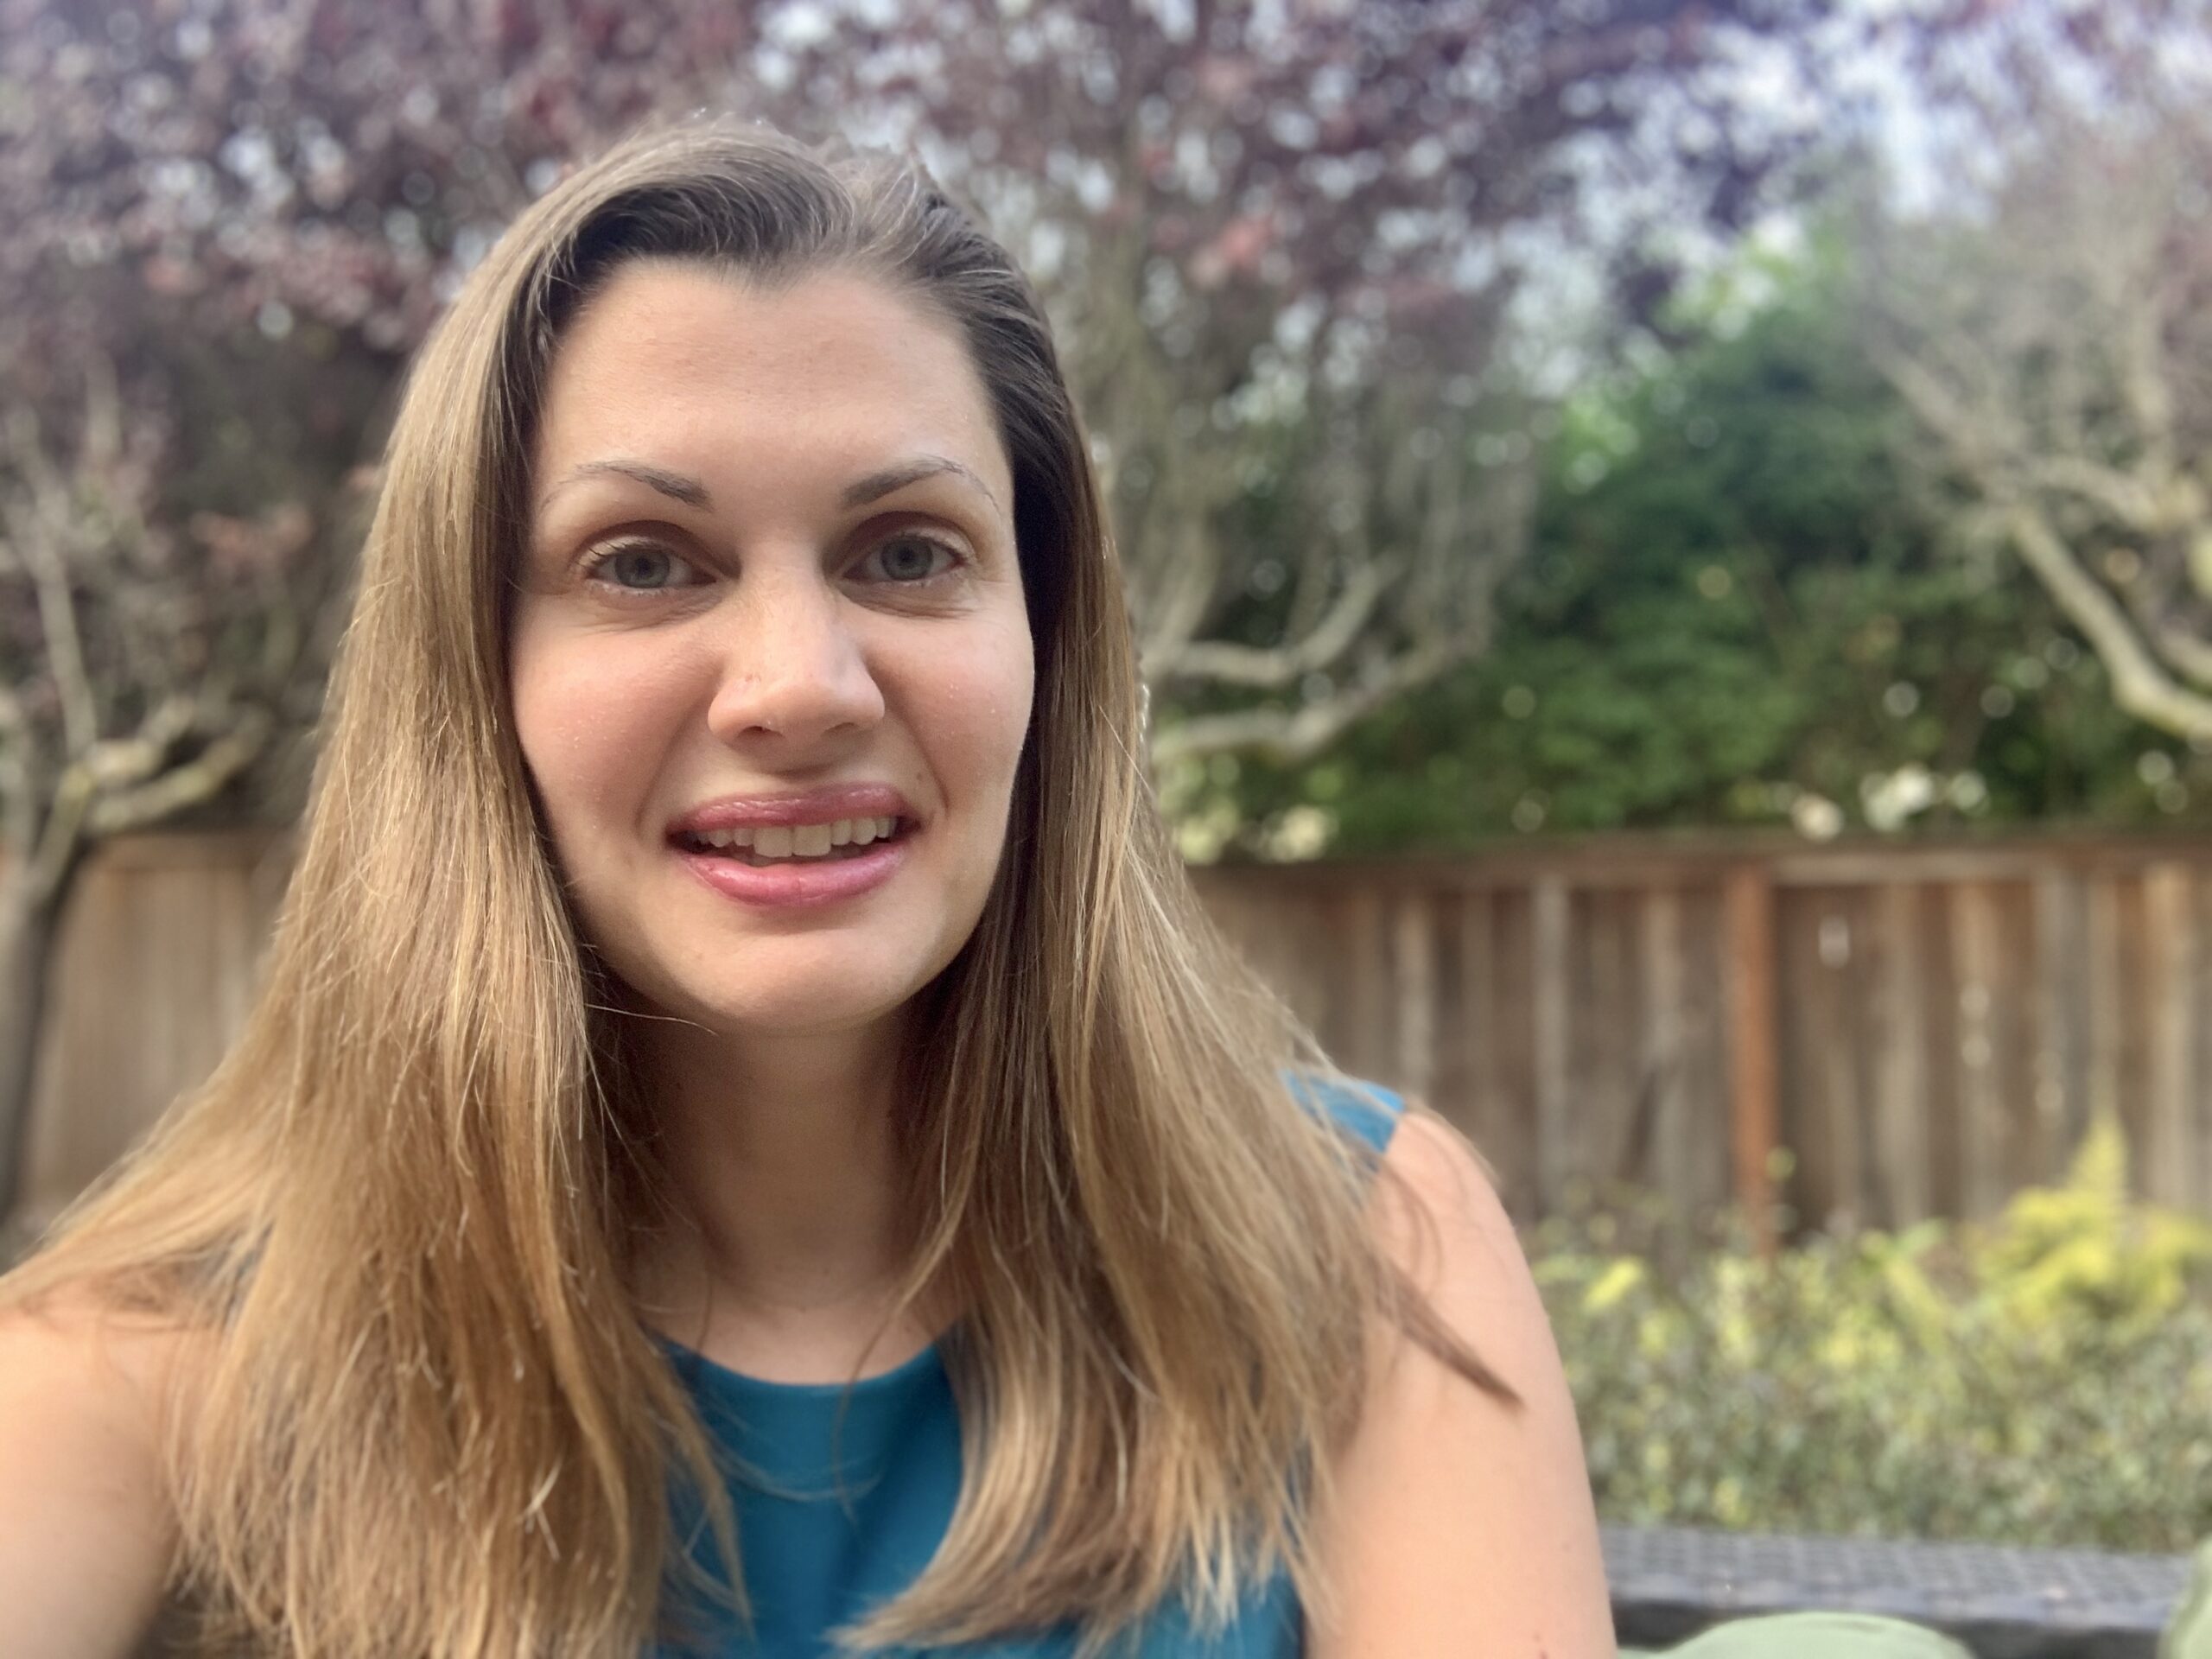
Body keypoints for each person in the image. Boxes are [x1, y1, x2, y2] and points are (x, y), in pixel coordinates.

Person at [0, 120, 1613, 1658]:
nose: (799, 686)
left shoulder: (1373, 1254)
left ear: (1047, 642)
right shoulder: (155, 1361)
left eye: (908, 552)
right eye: (642, 562)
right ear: (474, 680)